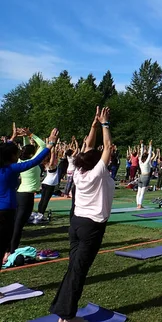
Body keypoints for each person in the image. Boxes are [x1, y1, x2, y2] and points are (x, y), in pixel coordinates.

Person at [50, 107, 114, 322]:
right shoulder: (98, 173)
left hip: (77, 224)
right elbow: (107, 147)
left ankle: (63, 311)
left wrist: (93, 125)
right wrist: (105, 124)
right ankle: (67, 316)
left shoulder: (79, 171)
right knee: (78, 272)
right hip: (90, 228)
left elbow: (88, 147)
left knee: (74, 269)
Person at [1, 126, 57, 265]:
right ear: (12, 156)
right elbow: (35, 161)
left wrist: (13, 138)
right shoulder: (12, 168)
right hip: (7, 210)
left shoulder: (5, 167)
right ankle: (8, 252)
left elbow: (3, 150)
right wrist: (50, 144)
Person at [11, 129, 48, 253]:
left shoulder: (21, 161)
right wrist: (31, 134)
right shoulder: (32, 162)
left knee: (18, 222)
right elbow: (43, 145)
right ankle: (11, 249)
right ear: (33, 154)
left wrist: (24, 137)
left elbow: (26, 148)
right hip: (26, 196)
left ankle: (11, 247)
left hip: (21, 194)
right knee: (18, 225)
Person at [36, 144, 60, 221]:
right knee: (45, 200)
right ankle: (41, 215)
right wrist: (52, 145)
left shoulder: (47, 163)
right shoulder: (51, 164)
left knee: (43, 199)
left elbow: (53, 155)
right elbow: (53, 154)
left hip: (46, 183)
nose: (56, 159)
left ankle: (39, 213)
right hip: (50, 184)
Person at [136, 141, 154, 209]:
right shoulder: (146, 162)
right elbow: (149, 154)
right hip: (145, 177)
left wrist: (142, 145)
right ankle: (140, 205)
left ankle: (138, 204)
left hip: (141, 176)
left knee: (139, 192)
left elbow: (141, 153)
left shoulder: (140, 161)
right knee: (142, 192)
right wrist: (150, 146)